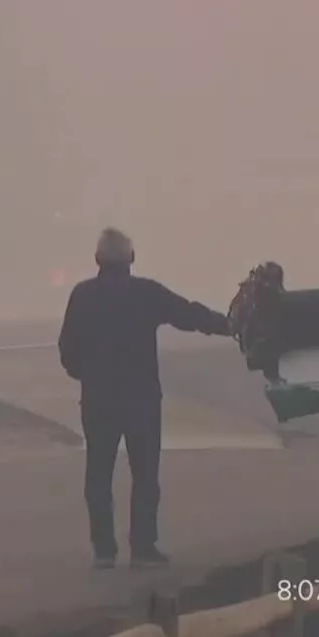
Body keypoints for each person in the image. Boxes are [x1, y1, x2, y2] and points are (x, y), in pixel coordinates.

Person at [58, 227, 232, 569]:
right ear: (131, 259)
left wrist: (86, 375)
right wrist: (229, 325)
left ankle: (104, 551)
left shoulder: (82, 295)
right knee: (145, 475)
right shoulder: (146, 293)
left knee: (98, 475)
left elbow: (67, 349)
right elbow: (189, 315)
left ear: (97, 260)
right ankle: (143, 546)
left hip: (98, 399)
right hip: (142, 399)